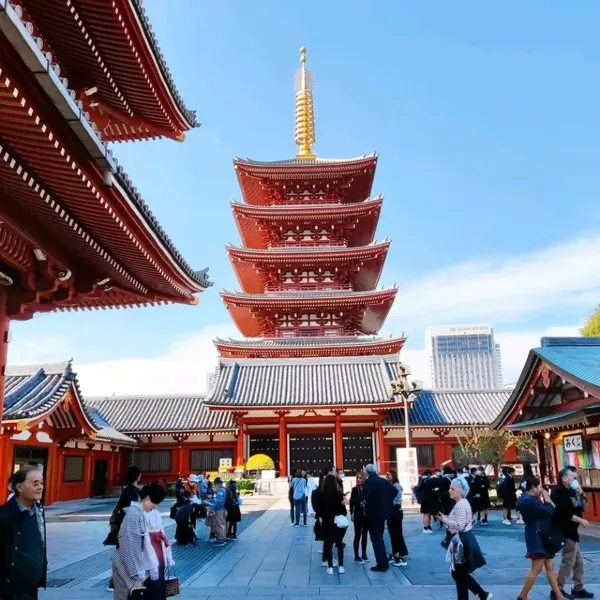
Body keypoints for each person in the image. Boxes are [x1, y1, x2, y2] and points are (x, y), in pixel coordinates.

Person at [112, 481, 173, 600]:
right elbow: (130, 545)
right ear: (148, 498)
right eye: (154, 502)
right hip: (128, 564)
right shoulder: (134, 515)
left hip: (133, 562)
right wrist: (138, 571)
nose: (155, 506)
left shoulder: (136, 513)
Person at [437, 477, 490, 600]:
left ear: (461, 491)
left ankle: (482, 594)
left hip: (461, 541)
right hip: (463, 540)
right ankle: (480, 595)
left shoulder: (461, 505)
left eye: (452, 488)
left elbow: (460, 526)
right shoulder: (462, 503)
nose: (450, 491)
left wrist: (444, 519)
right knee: (459, 574)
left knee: (459, 573)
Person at [0, 467, 46, 600]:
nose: (40, 487)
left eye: (41, 483)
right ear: (19, 487)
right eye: (35, 483)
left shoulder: (39, 511)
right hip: (9, 590)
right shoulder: (4, 515)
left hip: (31, 588)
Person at [516, 476, 564, 600]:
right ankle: (523, 595)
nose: (541, 489)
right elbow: (550, 511)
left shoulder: (529, 498)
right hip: (537, 536)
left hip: (541, 534)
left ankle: (559, 595)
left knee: (549, 567)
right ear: (533, 487)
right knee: (536, 568)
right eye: (539, 486)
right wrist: (547, 498)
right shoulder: (529, 501)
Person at [551, 468, 593, 600]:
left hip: (572, 530)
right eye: (573, 477)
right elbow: (566, 513)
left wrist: (580, 494)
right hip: (564, 530)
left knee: (578, 562)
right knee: (568, 560)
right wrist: (581, 520)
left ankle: (578, 588)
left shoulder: (572, 491)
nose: (575, 480)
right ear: (564, 478)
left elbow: (582, 508)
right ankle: (558, 590)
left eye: (576, 478)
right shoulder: (558, 491)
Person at [360, 463, 397, 572]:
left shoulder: (369, 482)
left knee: (376, 540)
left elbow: (363, 496)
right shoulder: (383, 481)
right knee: (379, 537)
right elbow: (394, 491)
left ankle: (382, 564)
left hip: (373, 514)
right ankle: (383, 562)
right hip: (382, 514)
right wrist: (387, 501)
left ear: (367, 472)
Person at [105, 466, 142, 546]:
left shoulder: (128, 489)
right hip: (126, 524)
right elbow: (133, 510)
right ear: (138, 477)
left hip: (121, 521)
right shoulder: (133, 491)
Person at [319, 473, 348, 575]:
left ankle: (330, 566)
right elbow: (344, 511)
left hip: (327, 522)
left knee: (328, 544)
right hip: (337, 522)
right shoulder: (339, 494)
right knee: (339, 544)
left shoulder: (322, 495)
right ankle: (341, 566)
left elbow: (320, 511)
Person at [386, 469, 408, 567]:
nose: (387, 476)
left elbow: (394, 498)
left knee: (397, 533)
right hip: (391, 511)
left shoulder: (396, 486)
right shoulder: (390, 486)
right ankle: (396, 554)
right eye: (386, 475)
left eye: (389, 475)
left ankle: (400, 555)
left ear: (393, 476)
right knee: (393, 533)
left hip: (395, 510)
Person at [350, 471, 369, 563]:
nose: (358, 479)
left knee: (365, 535)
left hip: (366, 515)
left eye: (360, 477)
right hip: (357, 514)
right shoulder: (354, 489)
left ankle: (364, 554)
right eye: (357, 477)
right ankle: (356, 556)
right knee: (357, 535)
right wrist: (351, 513)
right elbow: (351, 502)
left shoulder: (367, 489)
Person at [206, 477, 227, 546]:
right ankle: (223, 538)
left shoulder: (220, 490)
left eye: (215, 484)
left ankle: (220, 540)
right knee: (222, 524)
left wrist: (214, 507)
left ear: (217, 484)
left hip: (219, 510)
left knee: (219, 524)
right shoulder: (224, 489)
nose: (214, 486)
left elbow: (219, 501)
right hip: (223, 509)